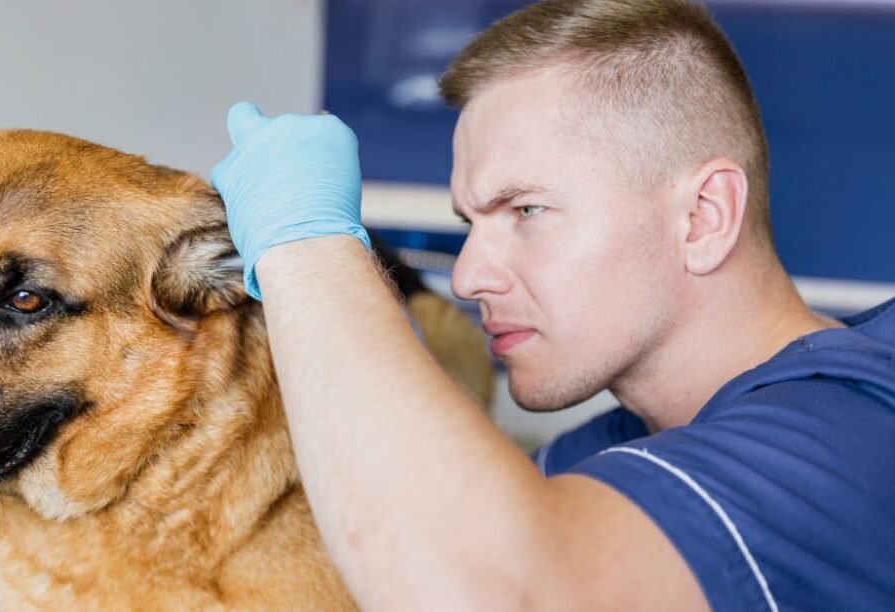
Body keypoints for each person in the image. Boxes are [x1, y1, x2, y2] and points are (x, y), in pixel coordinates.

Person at [210, 0, 895, 609]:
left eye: (527, 210)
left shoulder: (851, 437)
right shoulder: (603, 452)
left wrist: (307, 244)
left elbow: (488, 592)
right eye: (472, 223)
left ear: (703, 217)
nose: (469, 277)